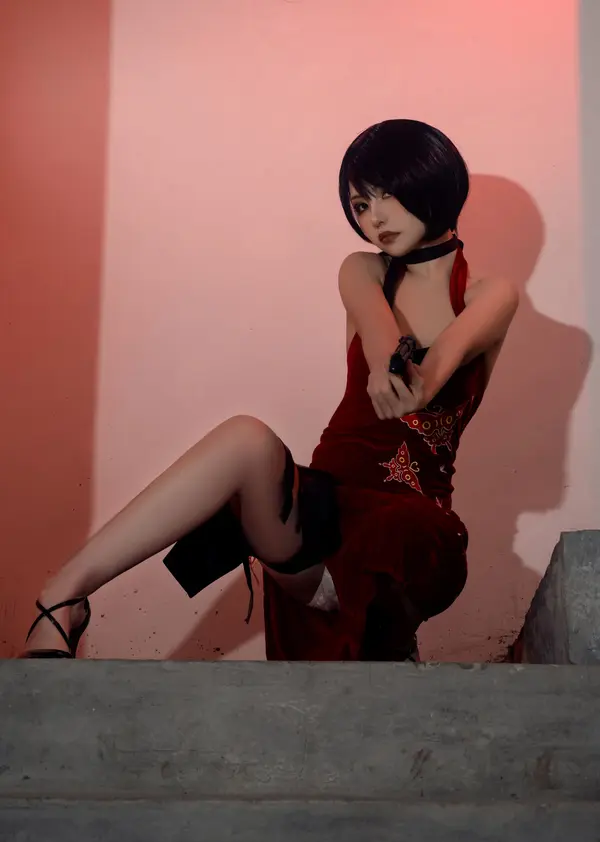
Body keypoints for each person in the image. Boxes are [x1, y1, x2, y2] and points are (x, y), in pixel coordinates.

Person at [21, 119, 518, 660]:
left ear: (430, 182)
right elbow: (379, 337)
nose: (373, 218)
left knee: (407, 528)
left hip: (414, 532)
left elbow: (434, 373)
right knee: (244, 437)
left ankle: (387, 637)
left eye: (387, 196)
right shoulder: (362, 270)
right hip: (318, 528)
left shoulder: (490, 295)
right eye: (360, 205)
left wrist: (407, 381)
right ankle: (62, 599)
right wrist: (383, 367)